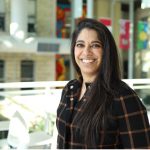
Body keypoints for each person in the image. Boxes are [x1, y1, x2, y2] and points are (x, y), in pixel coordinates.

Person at [56, 18, 150, 149]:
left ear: (106, 51)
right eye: (80, 45)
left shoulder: (123, 97)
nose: (86, 52)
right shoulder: (69, 90)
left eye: (95, 45)